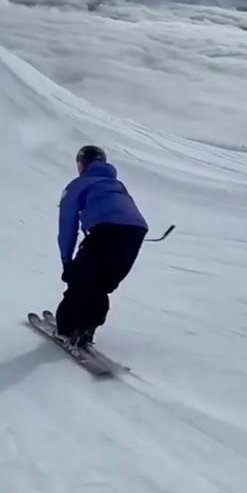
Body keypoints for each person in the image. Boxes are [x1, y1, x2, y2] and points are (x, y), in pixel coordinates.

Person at [56, 145, 148, 347]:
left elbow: (67, 223)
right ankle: (86, 329)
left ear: (83, 164)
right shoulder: (116, 184)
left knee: (80, 281)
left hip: (106, 232)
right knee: (101, 284)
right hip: (135, 233)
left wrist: (66, 261)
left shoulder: (79, 184)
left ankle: (66, 330)